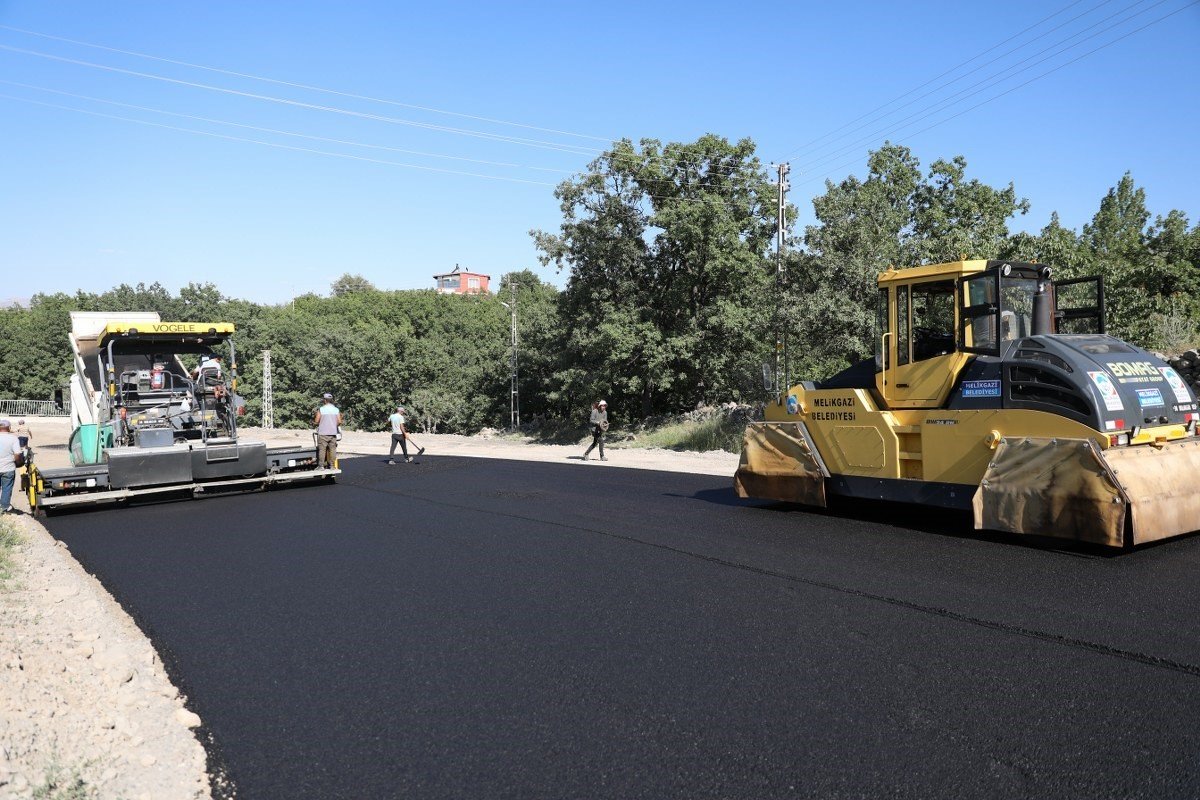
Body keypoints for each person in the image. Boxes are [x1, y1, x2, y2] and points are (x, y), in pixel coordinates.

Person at [0, 420, 23, 513]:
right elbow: (17, 454)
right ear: (9, 428)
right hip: (8, 468)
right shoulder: (13, 438)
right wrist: (18, 463)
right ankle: (4, 507)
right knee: (7, 488)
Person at [314, 393, 342, 470]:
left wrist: (316, 423)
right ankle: (332, 466)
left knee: (322, 450)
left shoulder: (321, 409)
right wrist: (333, 425)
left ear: (325, 400)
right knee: (332, 450)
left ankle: (321, 466)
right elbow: (339, 421)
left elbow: (316, 421)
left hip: (323, 433)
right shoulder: (336, 409)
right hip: (333, 433)